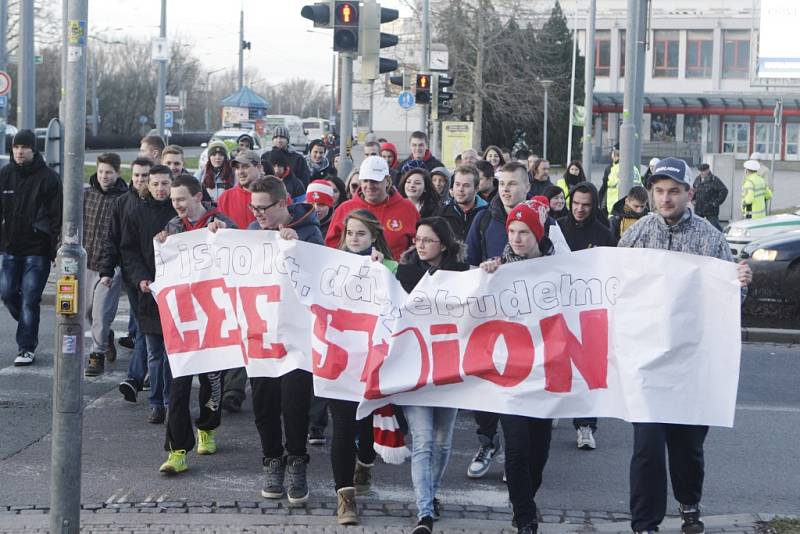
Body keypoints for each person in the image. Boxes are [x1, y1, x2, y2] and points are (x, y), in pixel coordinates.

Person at [618, 157, 752, 534]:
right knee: (646, 446)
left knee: (686, 446)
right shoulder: (637, 234)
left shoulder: (710, 238)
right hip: (646, 362)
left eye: (673, 191)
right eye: (659, 191)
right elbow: (615, 289)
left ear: (689, 193)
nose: (665, 198)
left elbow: (729, 302)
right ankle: (645, 523)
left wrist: (739, 285)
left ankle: (689, 504)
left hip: (692, 362)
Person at [479, 199, 555, 534]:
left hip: (546, 373)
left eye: (524, 232)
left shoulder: (562, 268)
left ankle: (526, 498)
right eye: (512, 231)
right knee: (518, 447)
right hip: (510, 374)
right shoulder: (499, 269)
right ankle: (524, 516)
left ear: (538, 234)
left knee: (539, 451)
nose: (517, 238)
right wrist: (486, 275)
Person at [246, 177, 324, 504]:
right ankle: (272, 460)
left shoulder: (309, 232)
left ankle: (296, 461)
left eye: (263, 208)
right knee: (263, 402)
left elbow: (319, 278)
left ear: (282, 204)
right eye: (253, 207)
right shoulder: (252, 231)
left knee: (294, 402)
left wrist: (297, 250)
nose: (257, 213)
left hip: (296, 335)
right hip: (261, 333)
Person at [155, 174, 236, 474]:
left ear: (198, 197)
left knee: (212, 382)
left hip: (215, 318)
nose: (176, 205)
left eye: (181, 200)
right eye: (173, 200)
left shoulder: (224, 223)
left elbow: (241, 262)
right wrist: (162, 245)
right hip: (184, 320)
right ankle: (177, 451)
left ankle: (208, 427)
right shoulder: (173, 227)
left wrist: (225, 236)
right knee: (178, 386)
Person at [396, 216, 469, 534]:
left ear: (443, 243)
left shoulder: (463, 273)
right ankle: (424, 511)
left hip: (449, 367)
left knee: (442, 442)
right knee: (424, 441)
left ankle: (432, 494)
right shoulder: (407, 271)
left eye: (427, 240)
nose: (420, 245)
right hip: (415, 367)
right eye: (417, 239)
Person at [329, 209, 397, 526]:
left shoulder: (389, 268)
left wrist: (383, 272)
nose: (353, 239)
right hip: (338, 364)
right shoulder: (331, 267)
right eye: (349, 233)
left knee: (366, 427)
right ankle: (345, 498)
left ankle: (366, 462)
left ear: (373, 237)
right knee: (342, 428)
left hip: (373, 365)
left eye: (360, 234)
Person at [119, 165, 176, 424]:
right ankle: (156, 403)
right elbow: (128, 250)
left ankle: (170, 400)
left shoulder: (179, 211)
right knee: (154, 352)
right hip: (149, 291)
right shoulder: (137, 213)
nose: (160, 189)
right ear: (147, 186)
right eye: (155, 184)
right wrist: (141, 277)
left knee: (172, 353)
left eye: (165, 184)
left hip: (178, 292)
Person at [0, 129, 62, 367]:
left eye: (24, 147)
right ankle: (28, 323)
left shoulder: (48, 178)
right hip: (10, 247)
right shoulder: (5, 175)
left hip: (38, 249)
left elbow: (57, 215)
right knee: (7, 294)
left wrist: (56, 247)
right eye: (16, 147)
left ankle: (26, 347)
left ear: (33, 149)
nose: (19, 151)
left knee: (29, 299)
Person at [103, 157, 152, 402]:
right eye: (137, 176)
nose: (141, 180)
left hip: (159, 277)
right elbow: (113, 239)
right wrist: (106, 271)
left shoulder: (162, 203)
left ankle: (144, 375)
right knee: (144, 326)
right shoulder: (123, 203)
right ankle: (136, 377)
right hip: (134, 276)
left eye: (145, 176)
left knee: (150, 329)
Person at [83, 152, 129, 377]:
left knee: (101, 312)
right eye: (101, 171)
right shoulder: (86, 194)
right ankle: (107, 336)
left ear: (117, 173)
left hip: (110, 265)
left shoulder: (123, 199)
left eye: (109, 172)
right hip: (87, 261)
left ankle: (97, 355)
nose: (104, 176)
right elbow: (72, 223)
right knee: (87, 310)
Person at [326, 156, 419, 260]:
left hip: (395, 273)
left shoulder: (407, 208)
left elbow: (418, 245)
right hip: (353, 272)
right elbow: (331, 247)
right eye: (365, 181)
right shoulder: (345, 209)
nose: (369, 185)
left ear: (387, 181)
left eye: (375, 181)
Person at [437, 164, 488, 241]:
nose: (460, 189)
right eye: (457, 184)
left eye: (466, 185)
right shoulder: (441, 214)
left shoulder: (488, 213)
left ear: (476, 189)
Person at [217, 149, 263, 233]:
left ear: (259, 168)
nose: (240, 172)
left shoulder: (276, 193)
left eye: (245, 166)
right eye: (237, 168)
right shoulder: (225, 198)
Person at [601, 146, 642, 215]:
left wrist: (603, 205)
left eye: (613, 155)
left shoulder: (614, 169)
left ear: (617, 157)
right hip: (634, 208)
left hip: (615, 208)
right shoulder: (635, 169)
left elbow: (607, 187)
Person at [692, 163, 728, 231]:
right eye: (700, 171)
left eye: (703, 171)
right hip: (699, 208)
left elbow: (724, 191)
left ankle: (722, 238)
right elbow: (694, 189)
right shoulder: (698, 179)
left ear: (708, 170)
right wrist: (693, 199)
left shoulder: (714, 180)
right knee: (697, 228)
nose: (701, 173)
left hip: (711, 209)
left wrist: (716, 202)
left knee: (715, 227)